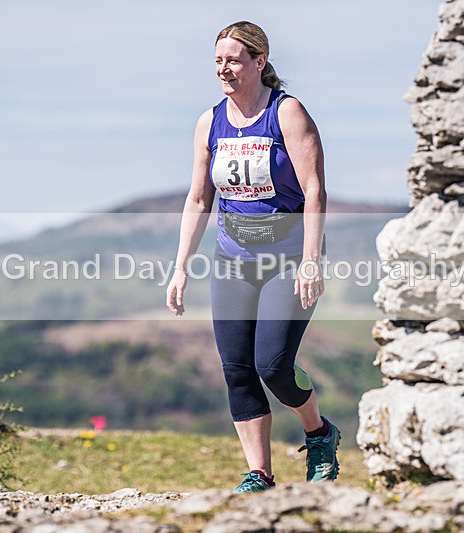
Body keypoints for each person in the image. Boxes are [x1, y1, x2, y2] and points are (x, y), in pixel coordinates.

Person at [166, 20, 339, 493]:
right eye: (218, 60)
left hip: (288, 259)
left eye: (234, 60)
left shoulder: (287, 113)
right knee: (236, 368)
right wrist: (180, 266)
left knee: (272, 366)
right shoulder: (210, 121)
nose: (225, 68)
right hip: (232, 259)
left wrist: (310, 260)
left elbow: (315, 190)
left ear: (259, 62)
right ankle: (258, 473)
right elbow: (199, 198)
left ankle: (320, 434)